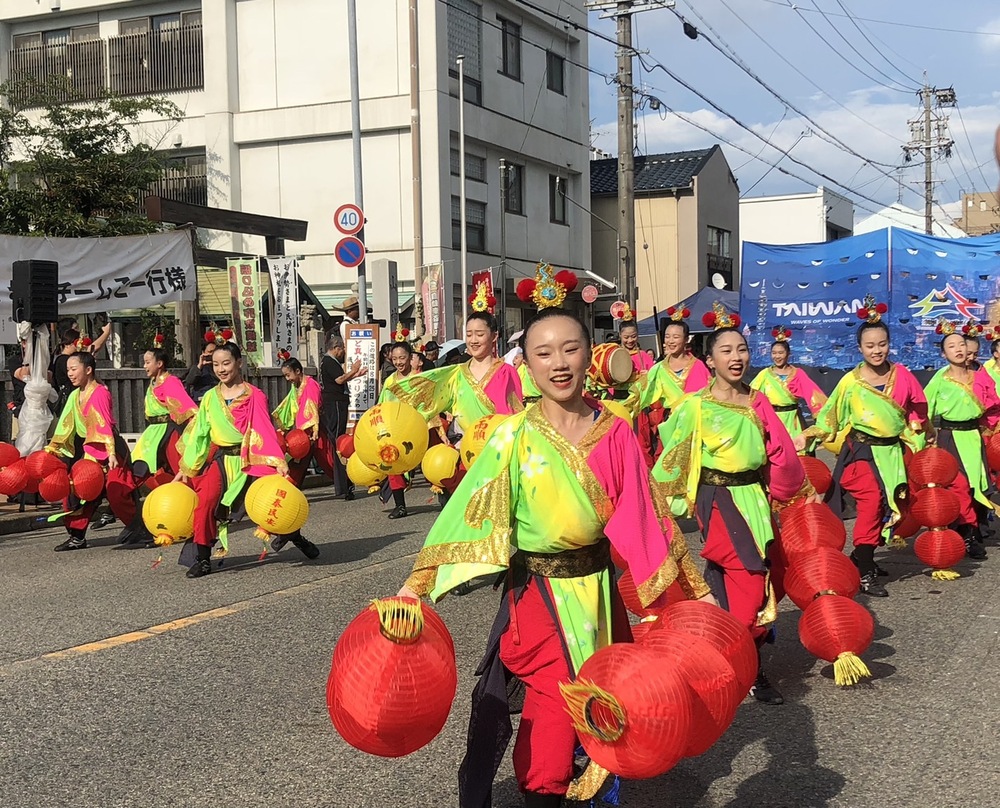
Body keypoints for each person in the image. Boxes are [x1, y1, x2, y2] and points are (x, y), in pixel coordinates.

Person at [398, 306, 712, 808]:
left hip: (598, 596)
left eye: (570, 348)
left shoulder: (615, 432)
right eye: (544, 352)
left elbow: (646, 518)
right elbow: (465, 513)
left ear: (592, 354)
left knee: (600, 694)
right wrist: (416, 586)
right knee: (553, 701)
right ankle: (542, 792)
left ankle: (581, 781)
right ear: (527, 363)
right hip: (538, 596)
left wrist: (694, 595)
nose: (559, 363)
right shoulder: (512, 434)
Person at [652, 314, 815, 705]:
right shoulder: (695, 406)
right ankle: (744, 665)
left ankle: (729, 638)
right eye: (726, 350)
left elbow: (783, 455)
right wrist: (659, 504)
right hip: (719, 498)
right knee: (749, 576)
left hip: (756, 497)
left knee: (767, 571)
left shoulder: (758, 401)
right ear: (709, 360)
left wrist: (786, 490)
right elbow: (671, 456)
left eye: (741, 349)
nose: (736, 357)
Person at [800, 296, 933, 597]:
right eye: (870, 345)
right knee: (872, 502)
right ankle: (864, 571)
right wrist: (810, 434)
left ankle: (863, 556)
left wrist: (918, 426)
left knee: (892, 504)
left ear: (889, 344)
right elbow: (830, 415)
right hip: (861, 452)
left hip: (892, 453)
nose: (877, 350)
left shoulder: (903, 375)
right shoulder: (850, 382)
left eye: (882, 344)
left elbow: (918, 407)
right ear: (860, 348)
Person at [174, 342, 319, 578]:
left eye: (226, 363)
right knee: (206, 503)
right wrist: (188, 466)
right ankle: (202, 558)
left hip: (252, 458)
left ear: (239, 363)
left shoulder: (255, 396)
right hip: (222, 460)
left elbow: (264, 428)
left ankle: (295, 537)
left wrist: (277, 462)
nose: (221, 369)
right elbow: (200, 433)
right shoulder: (210, 397)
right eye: (216, 364)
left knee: (273, 502)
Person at [44, 352, 136, 552]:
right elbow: (65, 424)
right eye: (68, 369)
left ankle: (141, 528)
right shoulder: (75, 395)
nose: (70, 373)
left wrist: (111, 453)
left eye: (73, 369)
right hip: (91, 453)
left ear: (88, 370)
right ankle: (77, 537)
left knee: (118, 492)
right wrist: (54, 447)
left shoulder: (100, 392)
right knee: (80, 491)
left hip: (111, 451)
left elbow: (103, 424)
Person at [923, 322, 997, 558]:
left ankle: (966, 530)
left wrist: (989, 429)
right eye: (951, 346)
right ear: (944, 354)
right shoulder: (940, 378)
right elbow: (923, 407)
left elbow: (993, 406)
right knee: (959, 486)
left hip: (974, 437)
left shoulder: (980, 377)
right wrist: (926, 435)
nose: (958, 349)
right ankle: (969, 535)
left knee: (978, 485)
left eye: (962, 344)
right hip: (949, 437)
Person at [117, 344, 198, 545]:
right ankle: (143, 522)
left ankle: (190, 518)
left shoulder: (170, 382)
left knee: (183, 475)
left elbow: (188, 409)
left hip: (167, 433)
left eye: (147, 362)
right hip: (152, 435)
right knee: (139, 476)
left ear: (159, 364)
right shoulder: (154, 382)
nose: (144, 366)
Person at [628, 306, 711, 461]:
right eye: (667, 337)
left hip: (696, 426)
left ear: (686, 340)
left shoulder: (698, 366)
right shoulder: (658, 368)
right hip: (670, 426)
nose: (670, 341)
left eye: (676, 337)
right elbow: (641, 393)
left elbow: (709, 396)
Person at [272, 357, 344, 497]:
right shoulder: (296, 386)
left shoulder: (311, 384)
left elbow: (312, 406)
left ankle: (346, 483)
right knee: (297, 460)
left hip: (316, 427)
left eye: (288, 375)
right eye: (285, 375)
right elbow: (290, 405)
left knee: (328, 460)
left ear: (297, 371)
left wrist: (313, 428)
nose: (287, 379)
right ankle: (290, 488)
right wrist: (285, 426)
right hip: (303, 431)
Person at [749, 328, 827, 454]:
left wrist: (822, 421)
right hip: (772, 420)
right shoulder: (764, 375)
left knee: (798, 452)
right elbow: (751, 397)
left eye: (780, 353)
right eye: (774, 353)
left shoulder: (798, 374)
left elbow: (814, 395)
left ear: (788, 354)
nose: (777, 356)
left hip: (793, 420)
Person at [378, 338, 419, 519]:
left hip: (418, 428)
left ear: (410, 358)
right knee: (392, 463)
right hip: (396, 430)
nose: (398, 362)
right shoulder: (389, 381)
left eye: (402, 358)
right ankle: (400, 506)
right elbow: (382, 405)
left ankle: (448, 499)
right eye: (395, 359)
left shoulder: (419, 379)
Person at [320, 334, 365, 499]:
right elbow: (339, 380)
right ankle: (344, 484)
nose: (343, 352)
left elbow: (339, 380)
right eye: (342, 349)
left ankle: (344, 484)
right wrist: (353, 370)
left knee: (338, 440)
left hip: (336, 402)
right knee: (339, 441)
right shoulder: (330, 362)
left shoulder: (330, 362)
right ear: (336, 348)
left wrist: (356, 374)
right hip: (335, 404)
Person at [50, 324, 111, 416]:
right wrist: (106, 333)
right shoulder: (65, 360)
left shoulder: (64, 358)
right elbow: (92, 348)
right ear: (68, 344)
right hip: (69, 400)